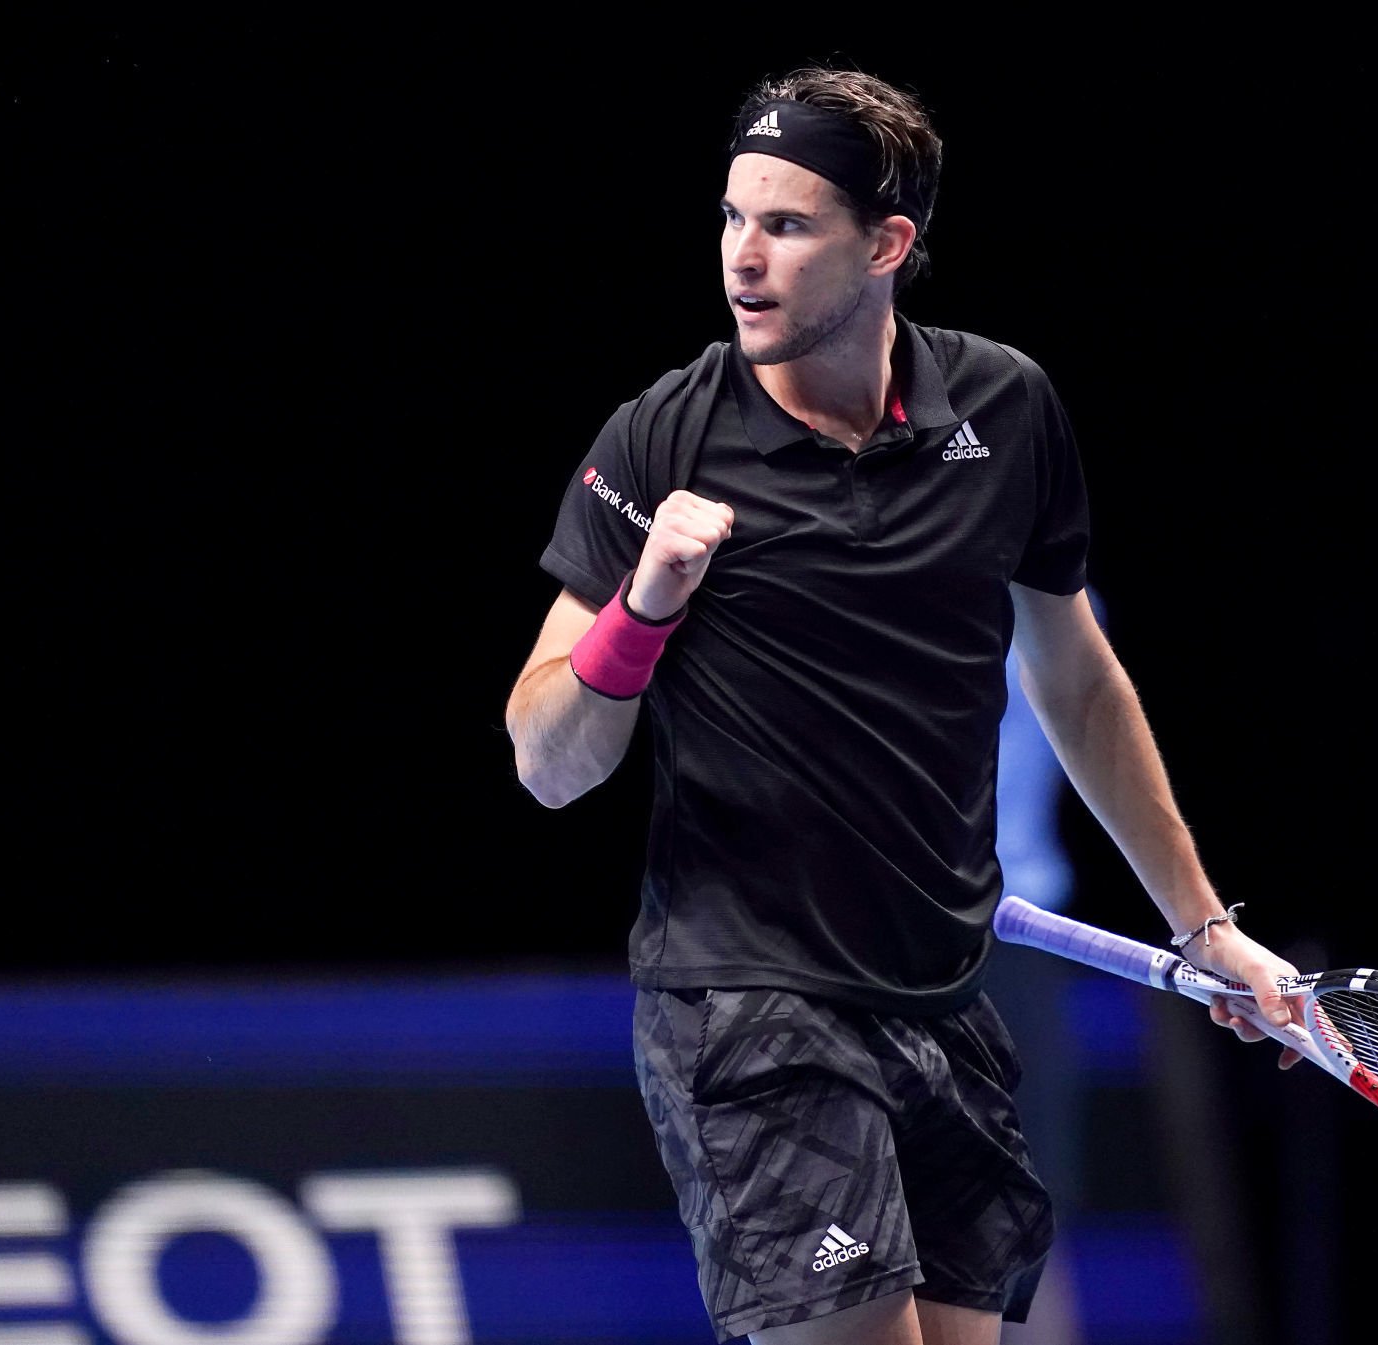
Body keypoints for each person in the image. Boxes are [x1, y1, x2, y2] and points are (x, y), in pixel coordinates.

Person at [506, 65, 1301, 1345]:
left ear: (885, 245)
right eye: (730, 217)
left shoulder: (1004, 408)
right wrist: (641, 609)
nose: (741, 256)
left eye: (785, 224)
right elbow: (547, 760)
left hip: (944, 993)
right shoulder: (660, 440)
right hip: (750, 1003)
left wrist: (1201, 924)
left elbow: (1076, 679)